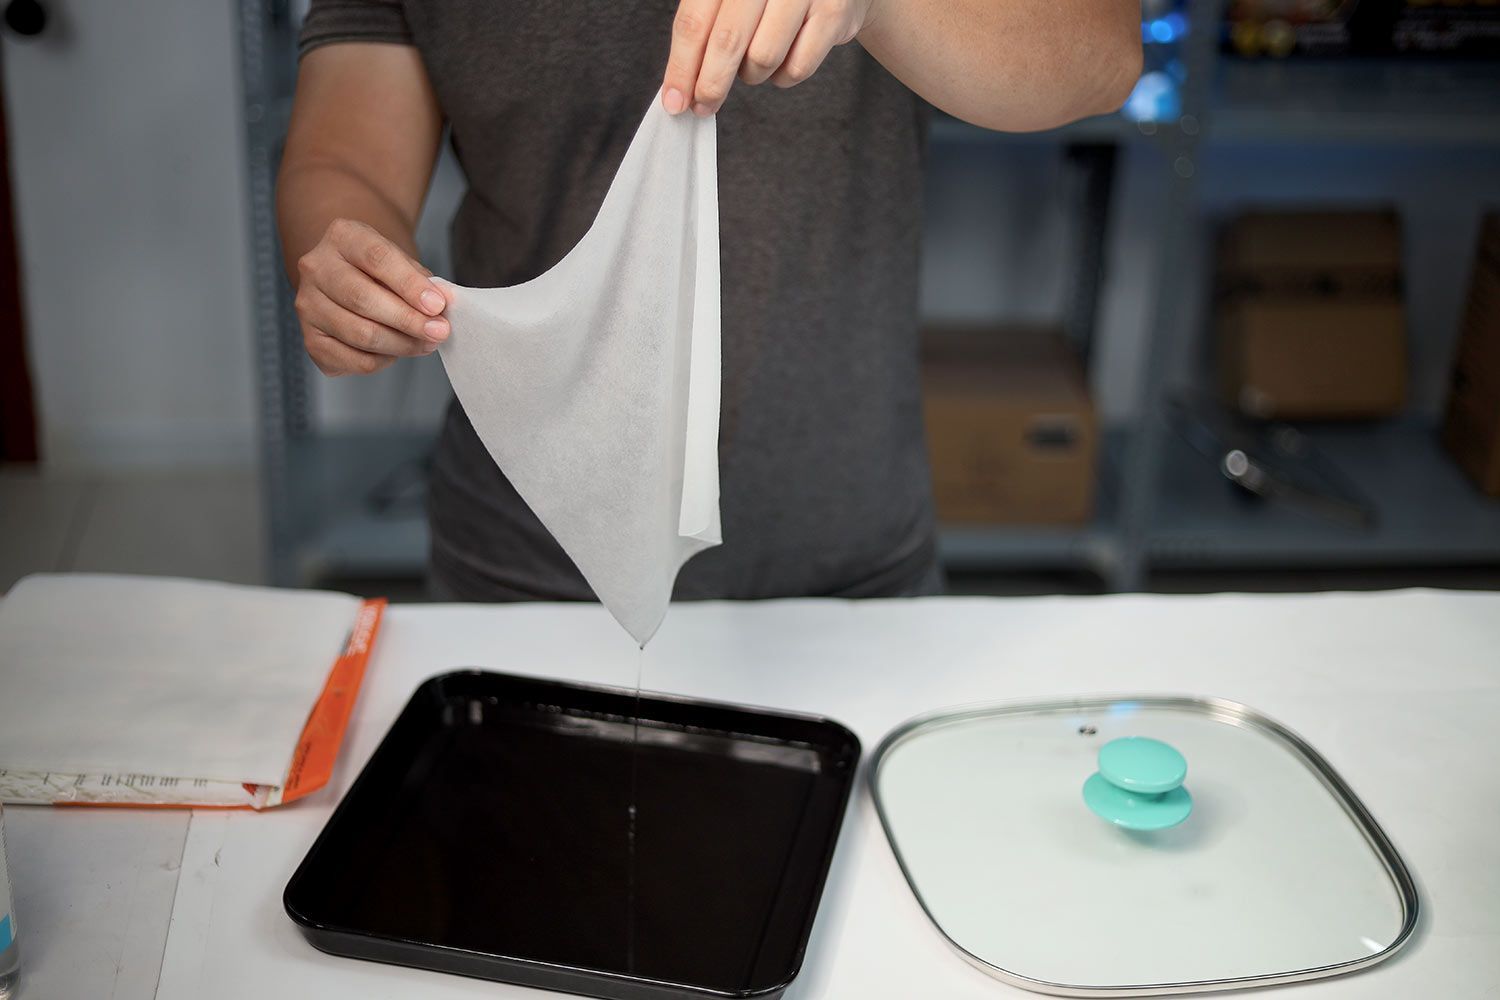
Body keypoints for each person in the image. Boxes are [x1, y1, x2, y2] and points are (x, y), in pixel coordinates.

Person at [277, 0, 1140, 604]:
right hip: (524, 561)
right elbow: (343, 155)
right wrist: (345, 259)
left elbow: (1100, 56)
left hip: (850, 563)